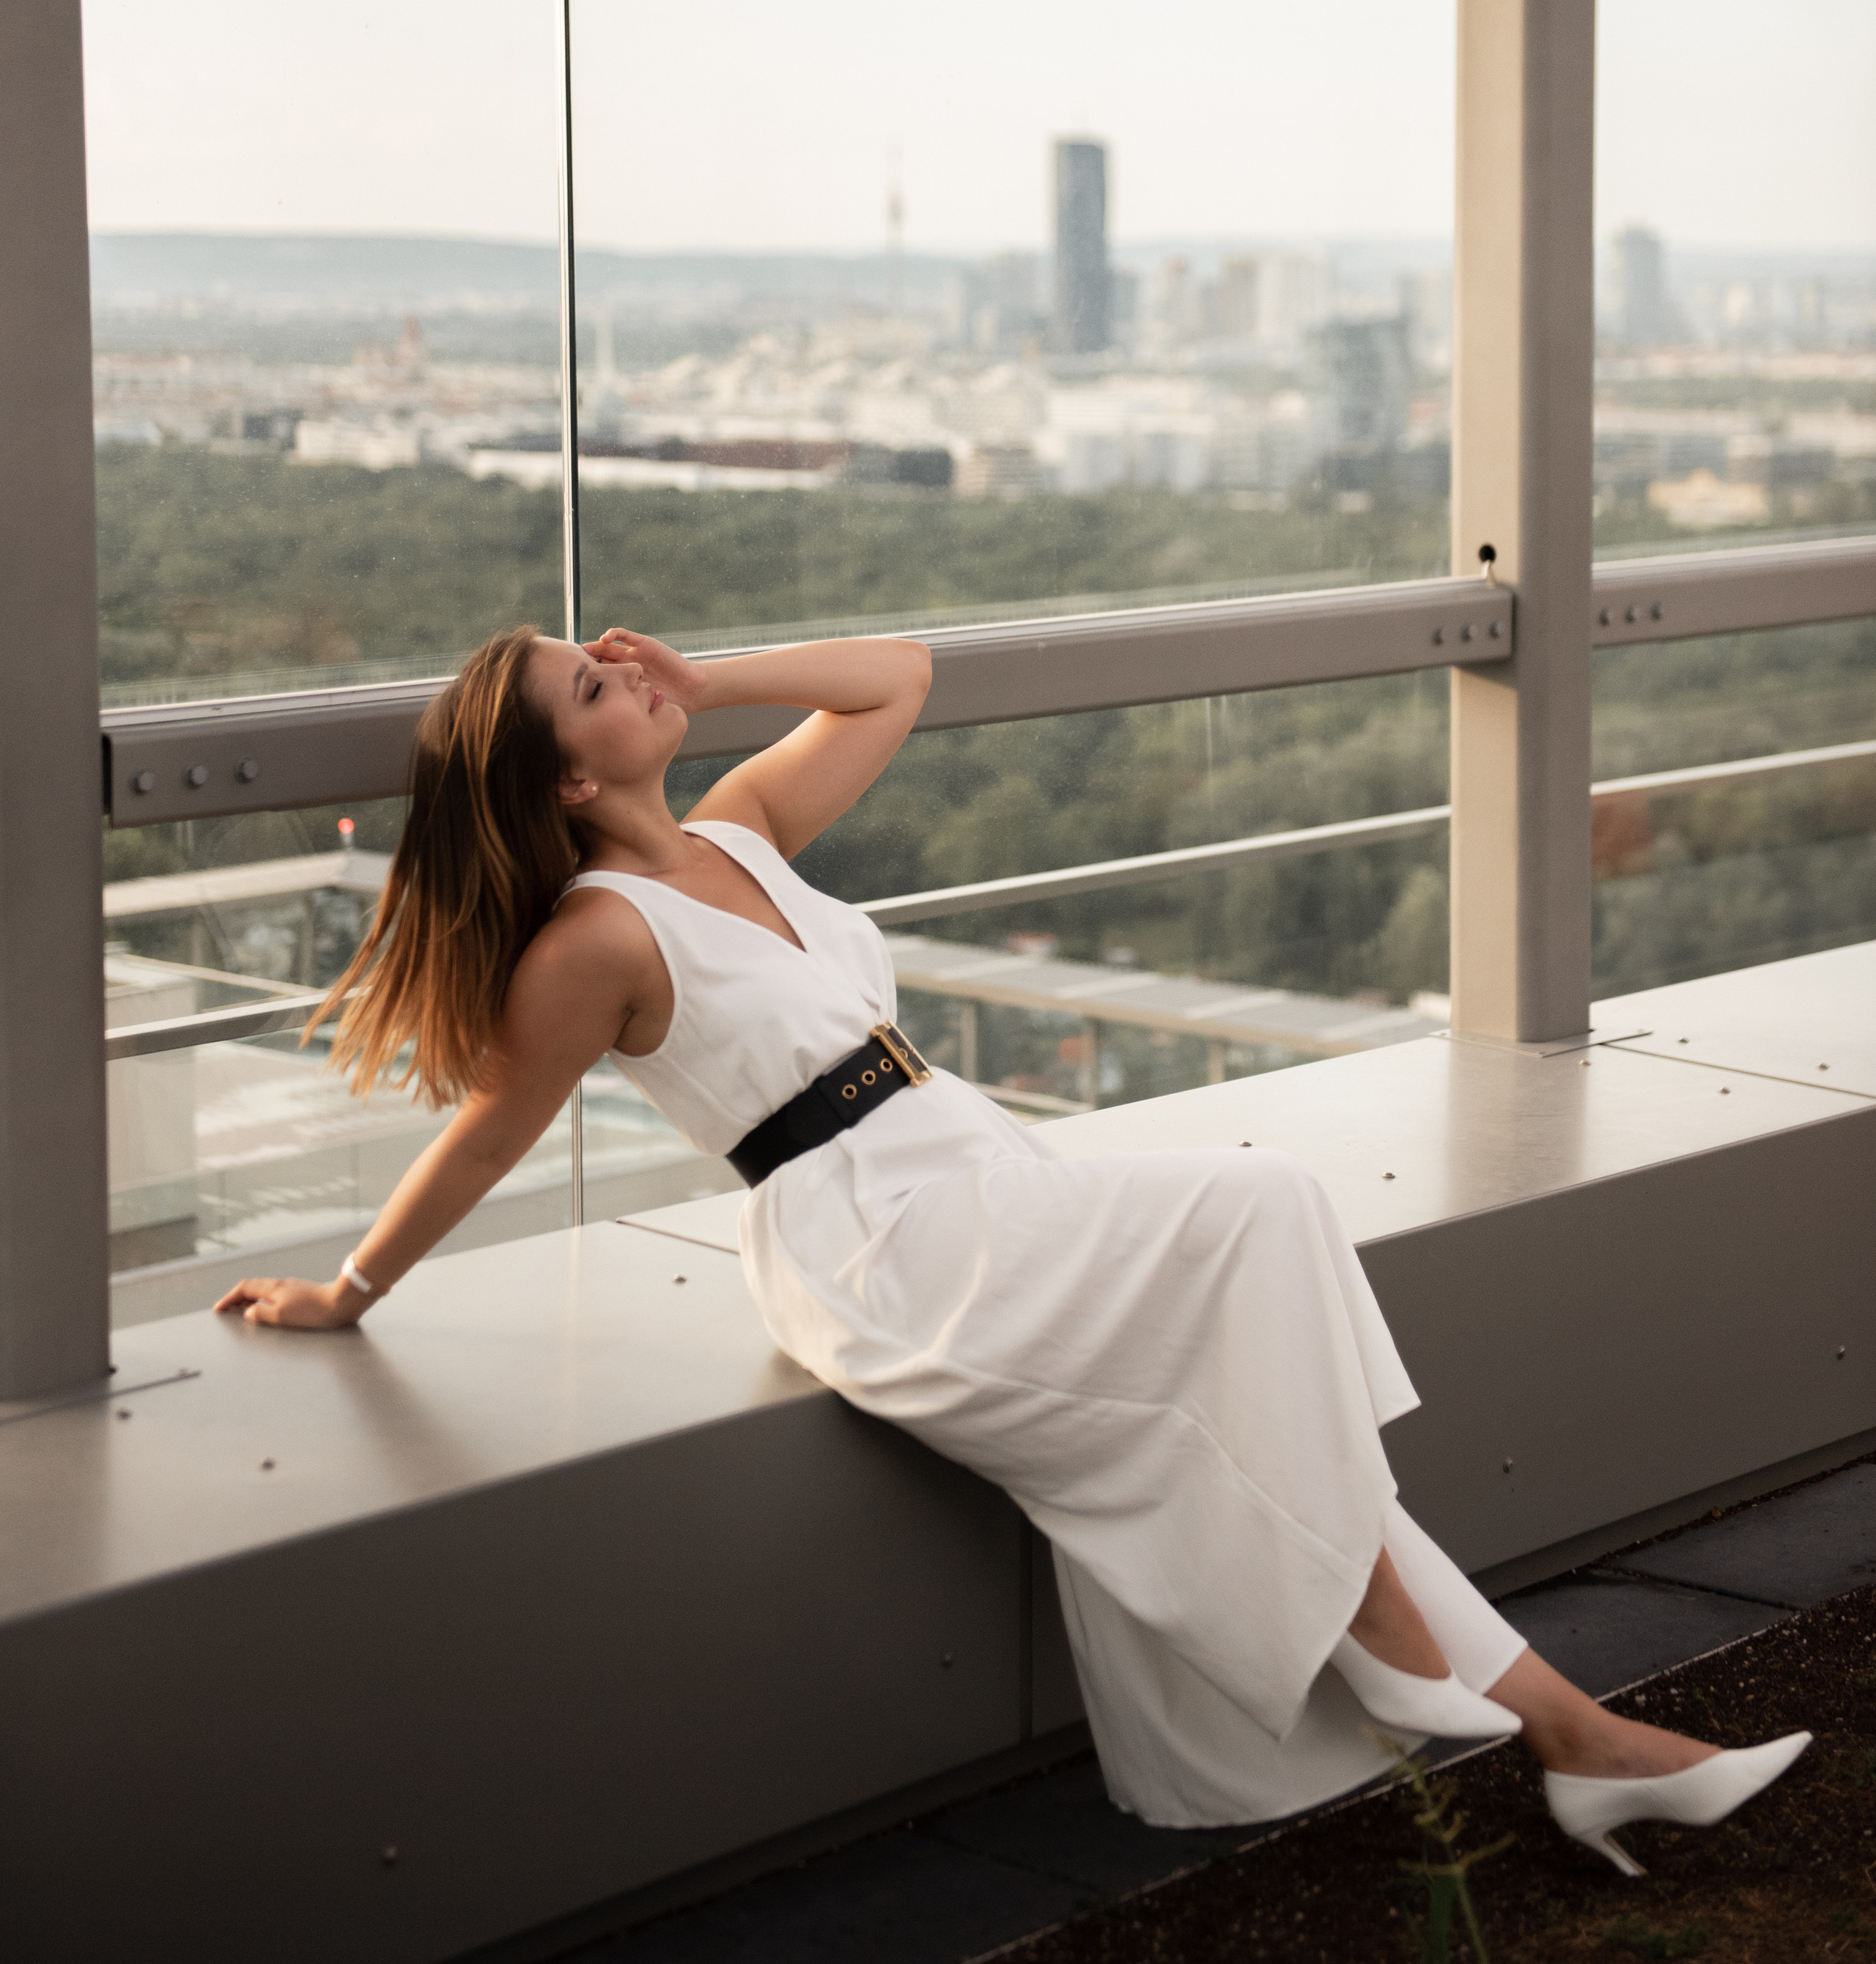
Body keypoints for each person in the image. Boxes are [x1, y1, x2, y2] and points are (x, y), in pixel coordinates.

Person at [218, 624, 1806, 1874]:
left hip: (974, 1172)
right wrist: (347, 1293)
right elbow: (491, 1128)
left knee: (1272, 1416)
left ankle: (1566, 1740)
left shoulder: (740, 832)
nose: (625, 668)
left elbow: (897, 678)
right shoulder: (595, 939)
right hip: (879, 1241)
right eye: (594, 682)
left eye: (616, 653)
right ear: (564, 781)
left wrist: (708, 674)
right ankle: (1474, 1692)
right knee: (1263, 1214)